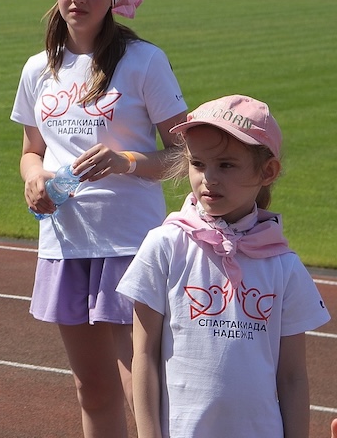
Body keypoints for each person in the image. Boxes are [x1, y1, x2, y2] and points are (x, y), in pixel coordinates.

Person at [11, 0, 188, 438]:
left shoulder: (144, 62)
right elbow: (31, 150)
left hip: (129, 241)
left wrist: (126, 161)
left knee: (143, 388)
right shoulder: (37, 70)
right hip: (65, 242)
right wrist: (33, 179)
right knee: (91, 387)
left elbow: (185, 154)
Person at [117, 95, 330, 438]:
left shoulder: (283, 265)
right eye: (198, 164)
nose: (208, 179)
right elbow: (142, 354)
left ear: (268, 171)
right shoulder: (165, 246)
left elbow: (292, 376)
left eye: (226, 165)